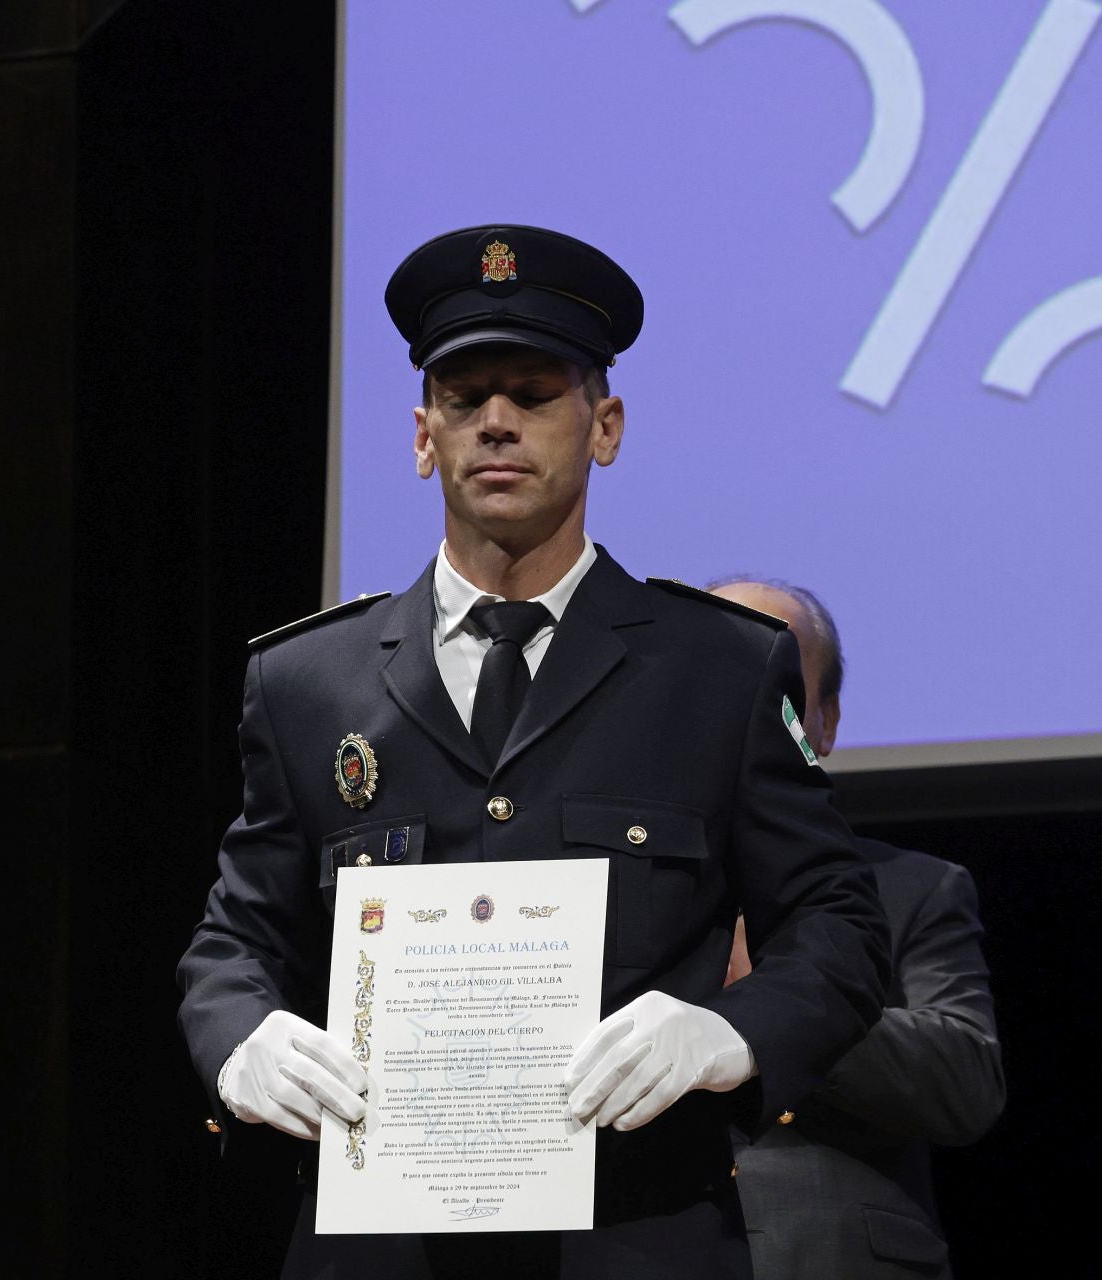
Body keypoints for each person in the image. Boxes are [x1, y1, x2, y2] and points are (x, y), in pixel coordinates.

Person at [176, 224, 892, 1279]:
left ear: (604, 426)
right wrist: (243, 1036)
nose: (497, 422)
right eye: (465, 399)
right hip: (381, 1248)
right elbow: (234, 939)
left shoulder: (716, 671)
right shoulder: (308, 681)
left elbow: (839, 922)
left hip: (637, 1233)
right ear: (424, 436)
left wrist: (727, 1033)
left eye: (533, 392)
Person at [709, 577, 1003, 1280]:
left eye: (772, 689)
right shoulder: (608, 890)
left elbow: (967, 1081)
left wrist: (785, 1004)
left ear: (825, 721)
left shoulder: (913, 889)